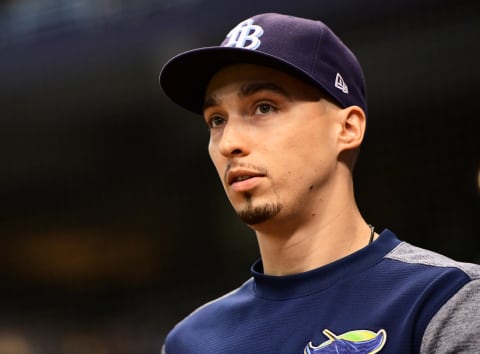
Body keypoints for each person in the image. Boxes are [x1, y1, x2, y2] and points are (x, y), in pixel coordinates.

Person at [159, 13, 480, 353]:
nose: (228, 143)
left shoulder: (443, 300)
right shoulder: (190, 341)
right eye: (217, 120)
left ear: (347, 128)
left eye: (264, 107)